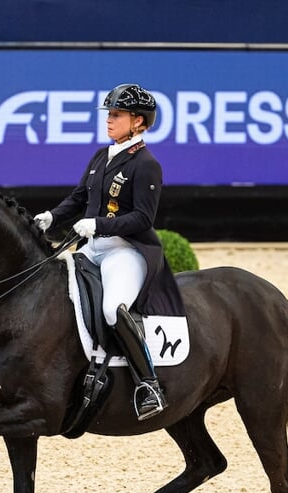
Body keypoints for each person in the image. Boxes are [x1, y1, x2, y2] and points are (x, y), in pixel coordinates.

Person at [33, 83, 183, 422]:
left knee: (113, 310)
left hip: (126, 251)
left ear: (139, 122)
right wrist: (52, 217)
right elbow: (78, 199)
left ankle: (149, 385)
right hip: (93, 246)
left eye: (117, 115)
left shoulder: (146, 164)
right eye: (109, 114)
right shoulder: (103, 155)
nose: (109, 120)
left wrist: (99, 225)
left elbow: (143, 218)